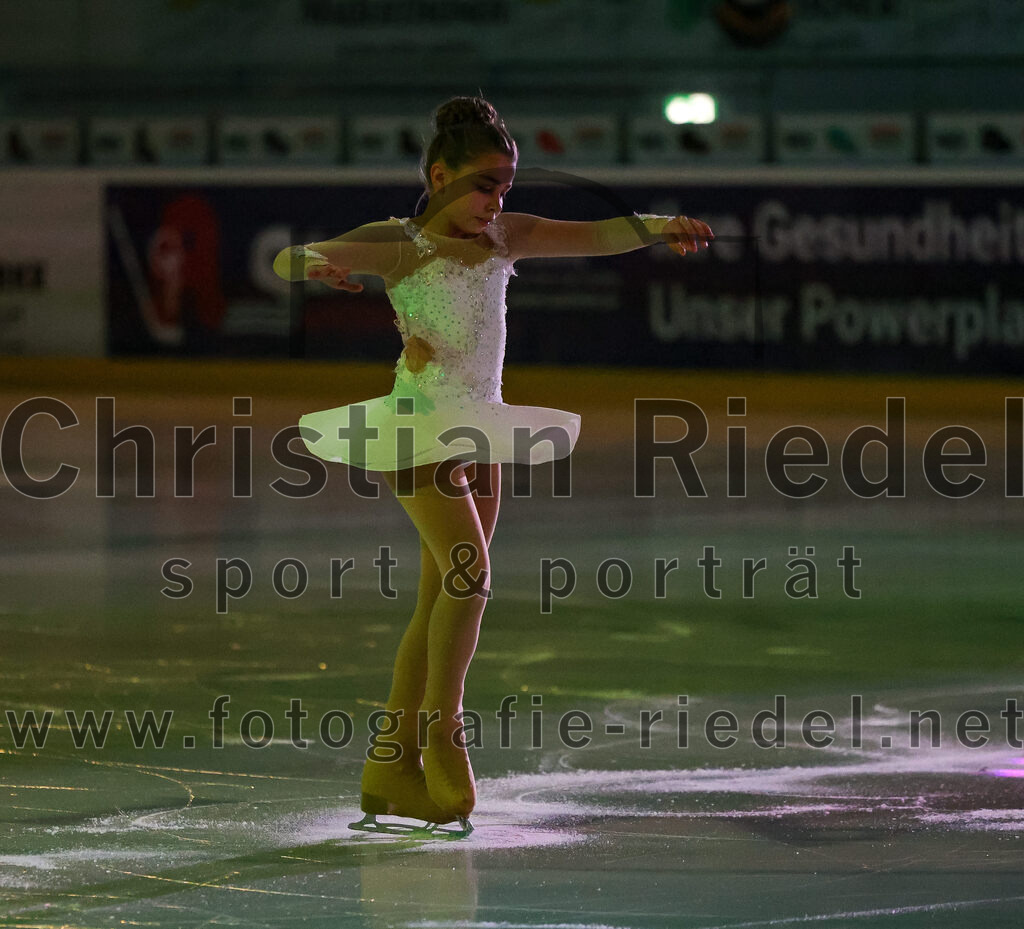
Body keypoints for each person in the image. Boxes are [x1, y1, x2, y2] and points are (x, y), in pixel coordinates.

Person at [273, 95, 713, 835]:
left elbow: (594, 234)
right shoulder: (400, 241)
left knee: (439, 597)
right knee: (469, 577)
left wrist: (656, 227)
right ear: (440, 174)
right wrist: (318, 264)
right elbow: (289, 256)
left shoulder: (506, 237)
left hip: (482, 430)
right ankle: (445, 731)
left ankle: (388, 766)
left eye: (505, 185)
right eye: (483, 183)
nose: (495, 200)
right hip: (415, 427)